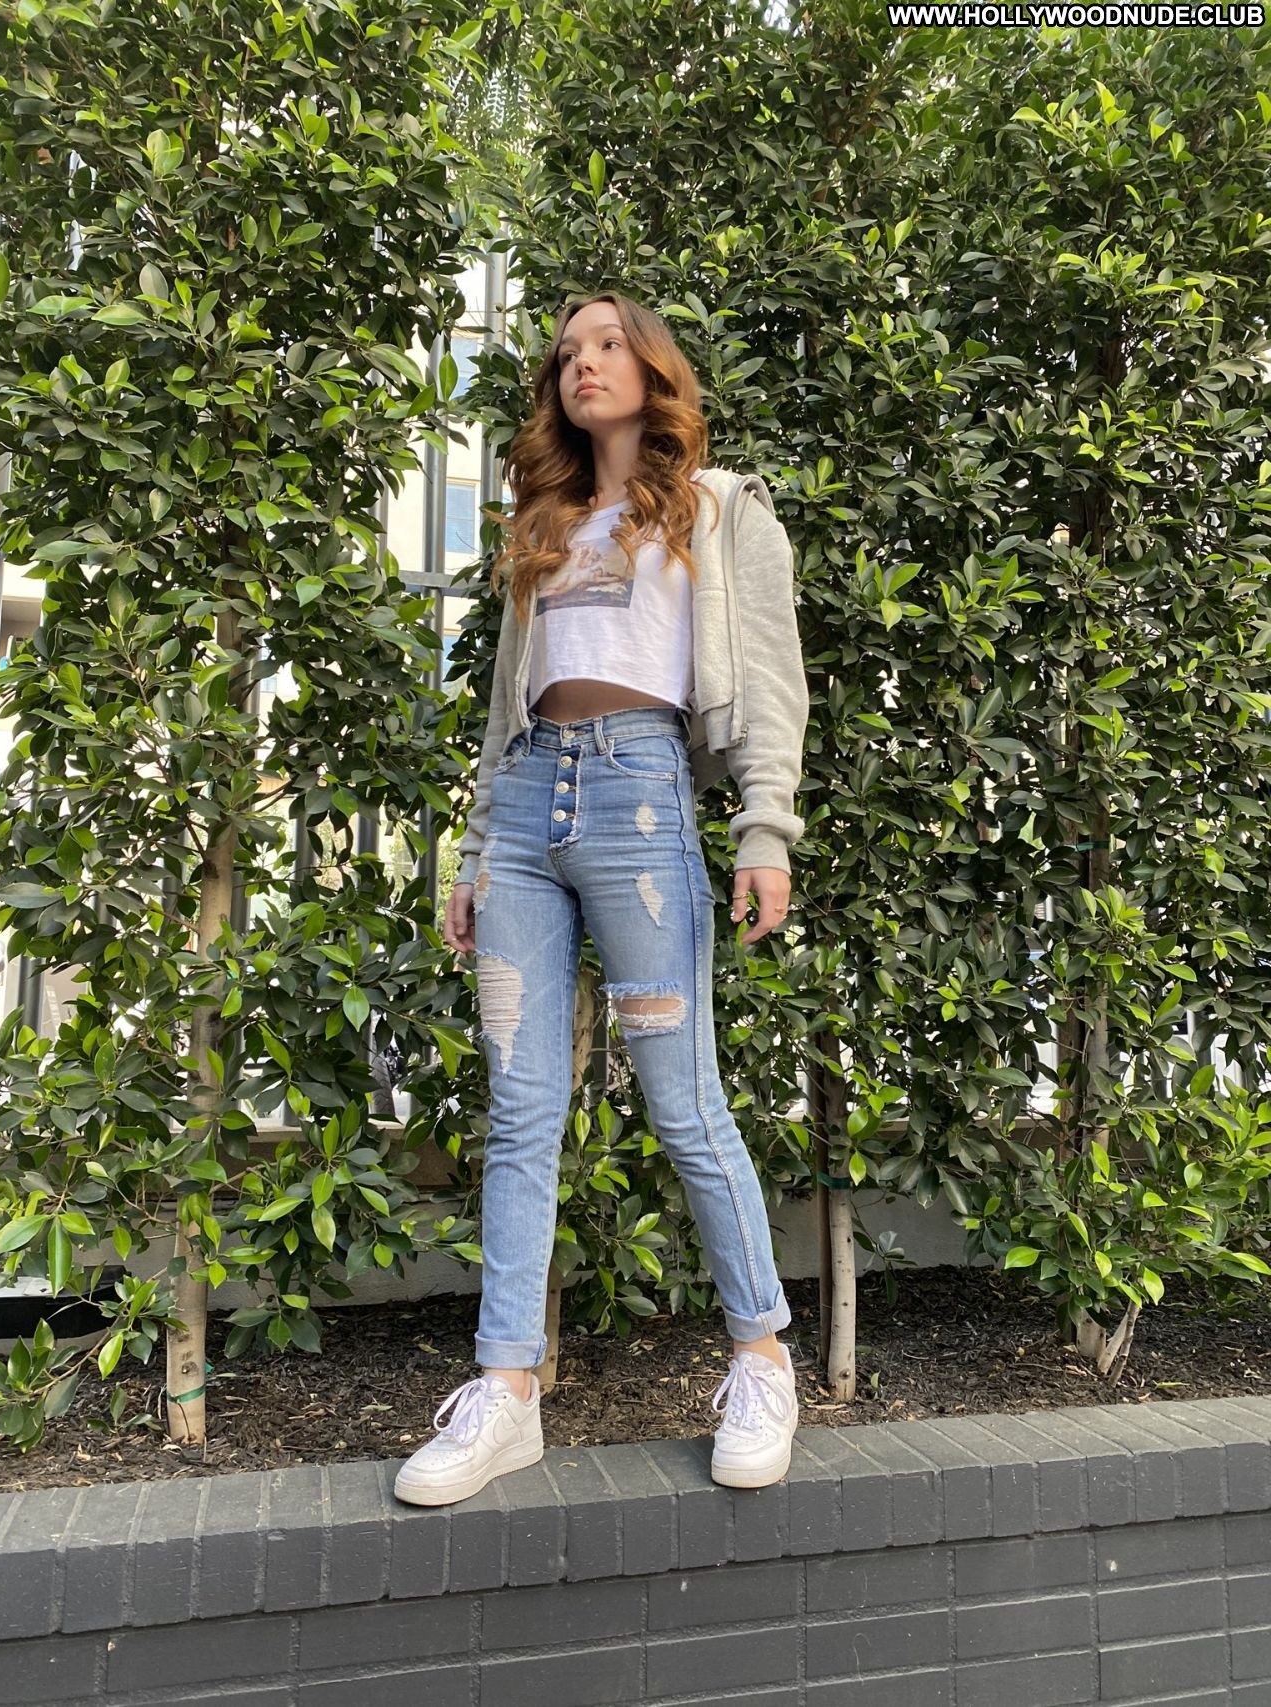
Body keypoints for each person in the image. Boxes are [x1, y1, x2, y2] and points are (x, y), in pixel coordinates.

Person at [393, 291, 810, 1507]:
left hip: (639, 801)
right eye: (568, 351)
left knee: (684, 1103)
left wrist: (765, 828)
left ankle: (761, 1359)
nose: (584, 363)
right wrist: (473, 852)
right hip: (526, 809)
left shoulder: (719, 507)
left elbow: (771, 680)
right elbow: (502, 713)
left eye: (608, 344)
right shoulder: (544, 522)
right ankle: (505, 1391)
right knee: (521, 1111)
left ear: (653, 366)